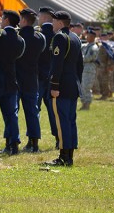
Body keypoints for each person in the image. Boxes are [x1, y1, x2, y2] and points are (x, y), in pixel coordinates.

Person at [46, 11, 83, 167]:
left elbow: (57, 64)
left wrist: (54, 85)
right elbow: (79, 65)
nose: (52, 24)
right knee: (70, 120)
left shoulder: (60, 37)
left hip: (61, 86)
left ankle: (63, 157)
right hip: (73, 85)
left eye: (53, 21)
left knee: (62, 122)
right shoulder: (75, 38)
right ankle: (69, 155)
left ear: (60, 23)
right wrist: (77, 83)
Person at [0, 10, 25, 155]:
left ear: (6, 20)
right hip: (11, 80)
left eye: (2, 19)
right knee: (12, 115)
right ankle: (14, 144)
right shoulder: (19, 39)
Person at [16, 8, 46, 152]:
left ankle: (12, 141)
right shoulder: (40, 37)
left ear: (23, 20)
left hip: (17, 78)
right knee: (32, 112)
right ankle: (34, 142)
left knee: (13, 111)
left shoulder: (18, 36)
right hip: (32, 78)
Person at [36, 6, 58, 148]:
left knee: (34, 110)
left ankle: (33, 141)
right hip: (52, 78)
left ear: (44, 18)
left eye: (39, 17)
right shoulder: (58, 35)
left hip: (37, 77)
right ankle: (58, 138)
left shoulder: (37, 35)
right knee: (53, 111)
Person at [80, 29, 99, 110]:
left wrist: (79, 59)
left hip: (89, 69)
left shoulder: (94, 47)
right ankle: (83, 103)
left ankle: (87, 103)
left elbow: (89, 58)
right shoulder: (85, 45)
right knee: (82, 86)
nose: (87, 37)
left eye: (89, 36)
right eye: (87, 35)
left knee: (87, 86)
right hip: (83, 68)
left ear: (93, 37)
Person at [96, 32, 113, 100]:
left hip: (105, 66)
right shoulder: (101, 45)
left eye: (104, 37)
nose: (102, 38)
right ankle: (104, 94)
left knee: (105, 81)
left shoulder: (108, 46)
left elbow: (110, 57)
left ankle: (105, 95)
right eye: (101, 37)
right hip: (100, 66)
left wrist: (109, 66)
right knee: (101, 80)